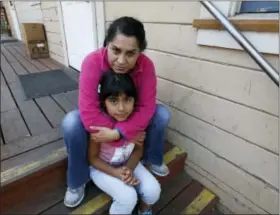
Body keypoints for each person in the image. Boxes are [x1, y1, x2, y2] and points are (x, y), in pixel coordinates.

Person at [62, 16, 170, 208]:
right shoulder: (92, 62)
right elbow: (88, 111)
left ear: (140, 52)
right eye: (116, 50)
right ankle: (77, 180)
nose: (121, 61)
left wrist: (119, 133)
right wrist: (121, 136)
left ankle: (151, 159)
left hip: (130, 116)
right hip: (102, 114)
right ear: (106, 45)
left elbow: (146, 107)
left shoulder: (146, 66)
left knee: (162, 114)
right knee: (71, 123)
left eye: (131, 53)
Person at [89, 70, 161, 215]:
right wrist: (116, 173)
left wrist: (128, 169)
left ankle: (144, 208)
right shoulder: (100, 128)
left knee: (154, 191)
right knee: (128, 198)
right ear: (104, 102)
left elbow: (138, 150)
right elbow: (93, 159)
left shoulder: (137, 122)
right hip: (103, 168)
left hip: (129, 163)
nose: (121, 108)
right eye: (114, 101)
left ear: (135, 100)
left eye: (127, 99)